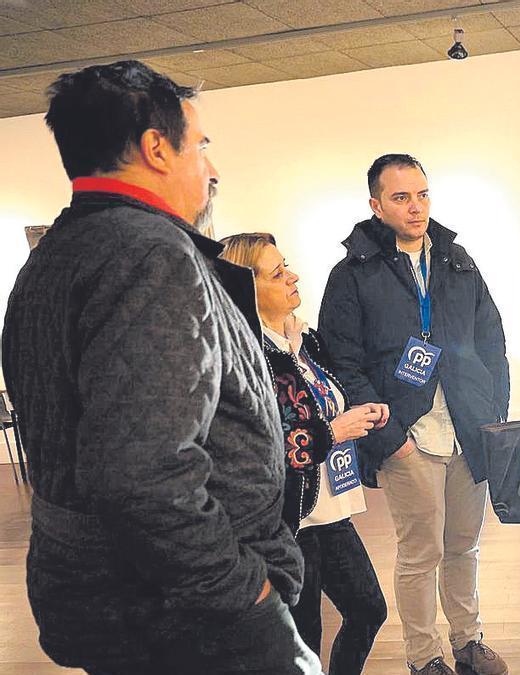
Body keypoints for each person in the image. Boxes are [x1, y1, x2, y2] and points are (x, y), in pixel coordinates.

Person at [0, 60, 319, 674]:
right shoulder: (150, 256)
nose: (212, 167)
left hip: (113, 599)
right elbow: (142, 473)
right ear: (156, 149)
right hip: (180, 620)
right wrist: (246, 597)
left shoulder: (50, 260)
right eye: (200, 145)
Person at [319, 154, 510, 675]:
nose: (416, 207)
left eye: (422, 194)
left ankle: (468, 640)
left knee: (464, 546)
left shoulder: (456, 261)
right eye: (401, 197)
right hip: (408, 435)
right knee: (419, 554)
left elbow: (492, 340)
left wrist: (493, 414)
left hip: (466, 429)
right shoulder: (352, 274)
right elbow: (342, 361)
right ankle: (424, 656)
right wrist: (389, 436)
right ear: (376, 204)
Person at [220, 232, 391, 675]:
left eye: (286, 265)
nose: (293, 276)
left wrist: (358, 413)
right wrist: (333, 431)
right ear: (246, 289)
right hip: (287, 520)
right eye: (278, 274)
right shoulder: (243, 359)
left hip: (329, 509)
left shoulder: (304, 342)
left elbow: (319, 404)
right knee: (303, 639)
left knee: (368, 609)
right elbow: (260, 446)